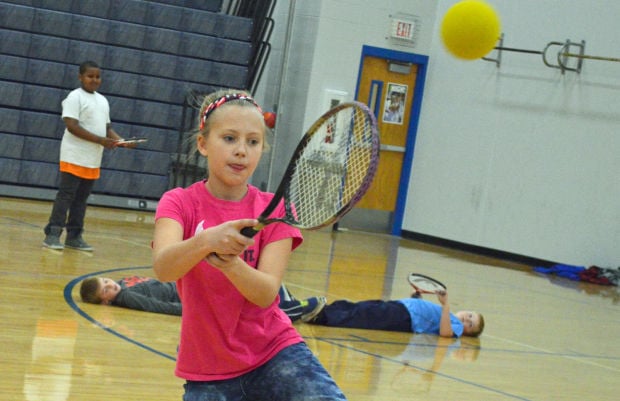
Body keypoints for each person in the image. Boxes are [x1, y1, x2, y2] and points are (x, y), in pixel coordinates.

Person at [151, 89, 347, 400]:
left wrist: (231, 264)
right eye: (229, 138)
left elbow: (266, 293)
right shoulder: (179, 203)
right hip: (207, 368)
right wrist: (206, 241)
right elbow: (163, 268)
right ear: (202, 143)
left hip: (275, 353)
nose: (242, 151)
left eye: (253, 142)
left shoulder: (276, 210)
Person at [43, 60, 130, 252]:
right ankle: (52, 233)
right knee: (66, 196)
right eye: (90, 76)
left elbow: (107, 128)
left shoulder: (103, 100)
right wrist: (100, 140)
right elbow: (72, 126)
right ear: (80, 77)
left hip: (92, 158)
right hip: (73, 155)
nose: (94, 80)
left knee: (81, 199)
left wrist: (120, 141)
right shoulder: (74, 97)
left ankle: (74, 236)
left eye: (97, 76)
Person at [79, 275, 327, 322]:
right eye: (106, 290)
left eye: (106, 281)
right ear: (106, 302)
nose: (110, 285)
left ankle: (290, 304)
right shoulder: (128, 297)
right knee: (244, 291)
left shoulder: (123, 284)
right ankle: (295, 310)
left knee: (254, 282)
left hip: (188, 282)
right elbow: (158, 306)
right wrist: (190, 310)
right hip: (191, 294)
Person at [305, 290, 485, 338]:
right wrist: (416, 299)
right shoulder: (450, 316)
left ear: (467, 332)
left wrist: (446, 305)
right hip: (401, 308)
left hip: (405, 318)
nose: (466, 320)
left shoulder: (455, 325)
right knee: (362, 307)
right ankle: (321, 309)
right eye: (470, 315)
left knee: (364, 314)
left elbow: (445, 333)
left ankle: (321, 316)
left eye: (471, 324)